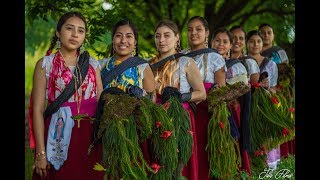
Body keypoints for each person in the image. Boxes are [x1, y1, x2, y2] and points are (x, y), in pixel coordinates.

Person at [29, 11, 104, 179]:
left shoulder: (92, 64)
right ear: (58, 32)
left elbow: (101, 101)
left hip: (90, 135)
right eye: (69, 28)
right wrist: (40, 153)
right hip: (57, 132)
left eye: (81, 30)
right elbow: (38, 111)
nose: (75, 34)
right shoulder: (45, 64)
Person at [96, 19, 156, 179]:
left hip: (132, 130)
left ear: (135, 42)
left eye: (129, 36)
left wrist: (141, 95)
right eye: (118, 36)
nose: (123, 41)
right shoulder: (99, 65)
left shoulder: (142, 67)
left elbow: (152, 100)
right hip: (103, 127)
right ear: (113, 39)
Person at [149, 19, 206, 180]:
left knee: (179, 165)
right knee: (159, 163)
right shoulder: (149, 65)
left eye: (167, 35)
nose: (161, 40)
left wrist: (181, 97)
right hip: (156, 118)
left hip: (181, 118)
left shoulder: (186, 62)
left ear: (177, 38)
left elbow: (201, 93)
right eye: (158, 36)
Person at [183, 16, 227, 180]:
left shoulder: (215, 57)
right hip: (184, 108)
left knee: (203, 148)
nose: (193, 33)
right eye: (190, 29)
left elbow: (221, 89)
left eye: (198, 29)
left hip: (206, 110)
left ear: (207, 33)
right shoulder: (180, 56)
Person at [259, 23, 295, 158]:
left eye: (269, 32)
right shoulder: (256, 52)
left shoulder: (279, 52)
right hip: (263, 94)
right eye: (263, 32)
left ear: (273, 35)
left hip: (281, 92)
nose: (266, 35)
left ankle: (286, 153)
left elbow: (288, 72)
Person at [246, 30, 280, 170]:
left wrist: (266, 88)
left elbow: (274, 89)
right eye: (252, 41)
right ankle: (251, 164)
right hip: (248, 103)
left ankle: (268, 165)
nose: (255, 44)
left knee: (265, 135)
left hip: (264, 106)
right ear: (247, 43)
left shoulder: (271, 64)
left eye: (258, 41)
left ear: (262, 44)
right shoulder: (243, 61)